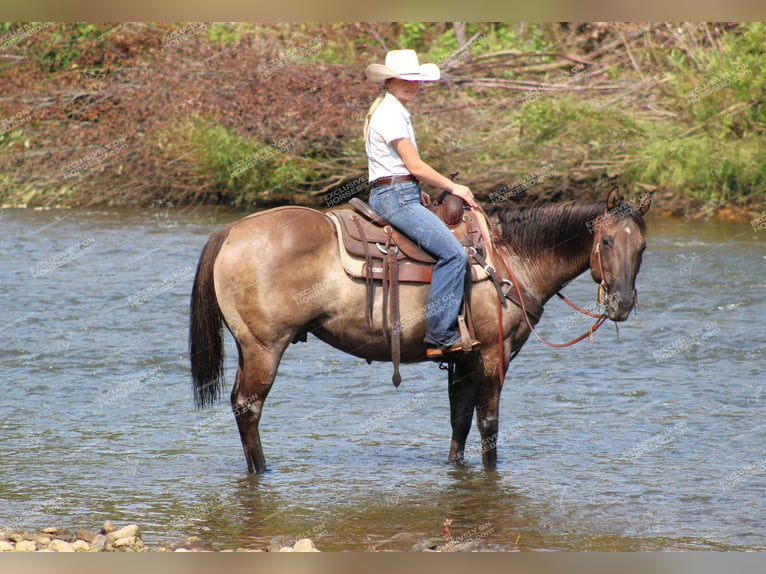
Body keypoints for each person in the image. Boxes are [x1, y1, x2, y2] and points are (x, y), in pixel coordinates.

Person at [364, 49, 480, 357]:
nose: (411, 84)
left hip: (397, 192)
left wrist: (416, 190)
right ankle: (441, 335)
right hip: (394, 197)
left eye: (415, 80)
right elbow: (415, 166)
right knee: (454, 255)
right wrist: (454, 186)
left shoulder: (393, 110)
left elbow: (401, 169)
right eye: (405, 79)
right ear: (390, 79)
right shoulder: (390, 114)